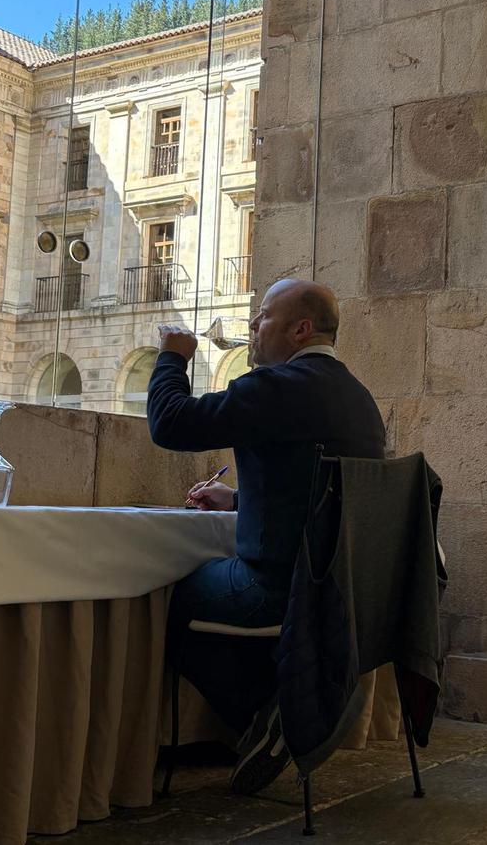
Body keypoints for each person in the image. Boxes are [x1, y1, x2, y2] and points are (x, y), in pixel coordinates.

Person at [147, 278, 385, 793]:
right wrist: (238, 501)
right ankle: (283, 703)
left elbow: (170, 424)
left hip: (282, 591)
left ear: (300, 329)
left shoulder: (277, 387)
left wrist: (173, 357)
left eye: (263, 317)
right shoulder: (358, 398)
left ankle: (270, 713)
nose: (252, 327)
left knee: (178, 596)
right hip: (345, 592)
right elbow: (316, 491)